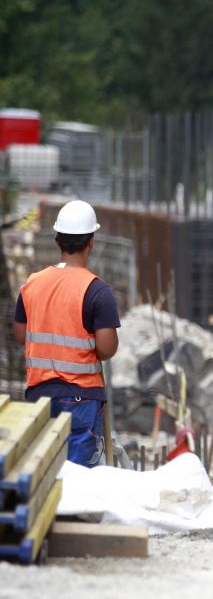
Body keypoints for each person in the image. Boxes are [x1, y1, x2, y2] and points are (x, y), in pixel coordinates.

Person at [13, 200, 120, 467]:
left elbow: (20, 334)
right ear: (91, 242)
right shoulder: (96, 290)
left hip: (39, 396)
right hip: (81, 399)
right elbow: (106, 349)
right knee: (78, 479)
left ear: (58, 240)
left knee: (45, 473)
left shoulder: (32, 283)